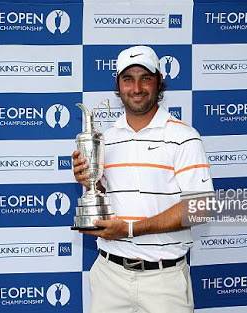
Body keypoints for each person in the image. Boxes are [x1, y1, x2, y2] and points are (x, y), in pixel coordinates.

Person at [72, 45, 214, 313]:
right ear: (118, 84)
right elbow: (111, 193)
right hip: (109, 276)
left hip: (164, 282)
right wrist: (90, 183)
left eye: (145, 78)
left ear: (159, 81)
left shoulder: (184, 136)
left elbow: (200, 207)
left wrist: (130, 230)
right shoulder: (106, 138)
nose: (136, 88)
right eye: (128, 79)